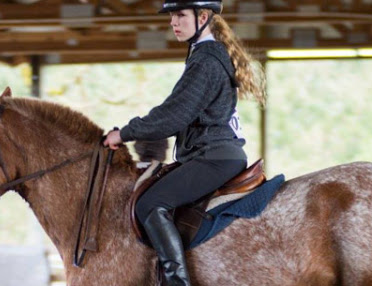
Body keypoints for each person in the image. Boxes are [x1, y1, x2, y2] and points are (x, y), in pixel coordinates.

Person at [103, 0, 266, 285]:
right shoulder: (203, 55)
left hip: (214, 157)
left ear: (203, 16)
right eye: (171, 16)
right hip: (210, 154)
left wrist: (124, 133)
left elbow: (172, 115)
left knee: (149, 204)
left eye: (180, 15)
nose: (173, 22)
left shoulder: (206, 60)